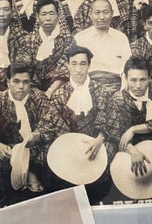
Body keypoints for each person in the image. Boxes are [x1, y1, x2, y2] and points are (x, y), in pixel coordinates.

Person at [35, 45, 114, 200]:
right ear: (68, 65)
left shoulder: (100, 91)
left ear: (89, 65)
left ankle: (95, 197)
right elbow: (51, 124)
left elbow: (111, 119)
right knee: (48, 153)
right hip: (69, 145)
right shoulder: (60, 94)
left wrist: (99, 139)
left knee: (110, 151)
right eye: (74, 64)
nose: (78, 69)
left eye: (83, 64)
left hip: (95, 143)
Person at [0, 62, 49, 207]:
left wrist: (37, 135)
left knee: (53, 148)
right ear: (8, 82)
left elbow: (50, 123)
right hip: (6, 151)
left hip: (33, 149)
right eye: (16, 81)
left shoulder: (40, 98)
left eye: (26, 82)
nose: (21, 86)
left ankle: (32, 174)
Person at [102, 57, 152, 177]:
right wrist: (132, 150)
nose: (138, 86)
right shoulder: (118, 99)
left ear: (149, 77)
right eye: (133, 80)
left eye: (143, 79)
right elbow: (116, 133)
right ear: (125, 78)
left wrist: (134, 129)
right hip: (129, 142)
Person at [74, 0, 131, 93]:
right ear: (90, 15)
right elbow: (76, 70)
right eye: (97, 13)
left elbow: (127, 70)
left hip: (116, 88)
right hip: (88, 88)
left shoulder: (121, 38)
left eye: (105, 12)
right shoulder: (80, 38)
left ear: (112, 13)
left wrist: (122, 92)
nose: (102, 17)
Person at [28, 0, 76, 96]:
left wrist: (50, 91)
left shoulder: (68, 39)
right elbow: (25, 66)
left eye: (52, 13)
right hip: (33, 87)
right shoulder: (28, 40)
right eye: (44, 14)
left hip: (59, 86)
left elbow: (65, 68)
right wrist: (37, 93)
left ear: (58, 15)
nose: (48, 18)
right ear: (37, 16)